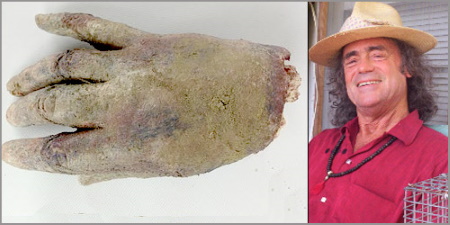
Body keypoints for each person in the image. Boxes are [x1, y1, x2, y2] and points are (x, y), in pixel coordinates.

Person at [308, 2, 448, 223]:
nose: (363, 68)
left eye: (377, 55)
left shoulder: (440, 158)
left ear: (408, 67)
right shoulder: (318, 144)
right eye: (352, 60)